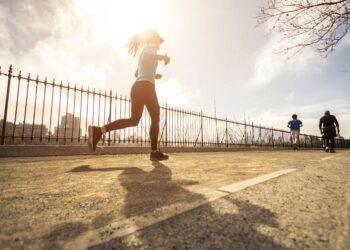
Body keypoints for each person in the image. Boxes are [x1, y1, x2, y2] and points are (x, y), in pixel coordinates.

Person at [88, 29, 171, 161]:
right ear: (154, 39)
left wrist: (153, 75)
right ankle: (154, 151)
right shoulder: (151, 47)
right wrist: (163, 58)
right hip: (146, 88)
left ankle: (99, 131)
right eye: (159, 40)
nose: (160, 44)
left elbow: (137, 73)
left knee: (134, 120)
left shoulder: (146, 51)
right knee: (155, 117)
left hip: (137, 87)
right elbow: (148, 58)